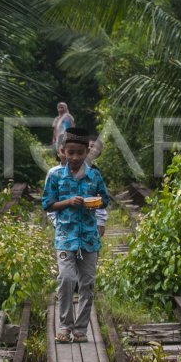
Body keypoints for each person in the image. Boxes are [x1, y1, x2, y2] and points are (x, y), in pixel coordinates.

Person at [42, 127, 109, 343]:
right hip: (65, 237)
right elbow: (48, 204)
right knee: (67, 279)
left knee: (87, 284)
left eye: (80, 153)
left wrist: (95, 204)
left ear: (86, 153)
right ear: (63, 151)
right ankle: (64, 326)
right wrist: (69, 202)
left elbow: (104, 199)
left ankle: (80, 330)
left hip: (89, 238)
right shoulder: (55, 176)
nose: (75, 157)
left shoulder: (94, 175)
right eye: (70, 153)